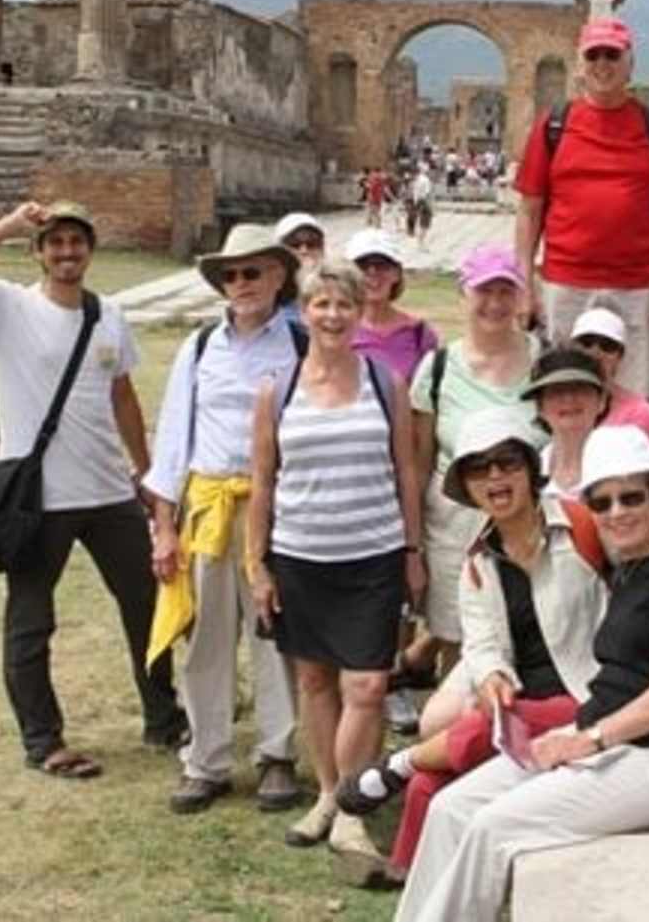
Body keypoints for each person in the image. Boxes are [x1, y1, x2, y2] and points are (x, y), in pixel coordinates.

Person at [393, 426, 649, 922]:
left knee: (493, 827)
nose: (617, 512)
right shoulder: (630, 567)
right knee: (450, 807)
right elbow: (484, 642)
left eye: (631, 497)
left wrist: (588, 739)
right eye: (603, 502)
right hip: (603, 735)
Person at [0, 200, 183, 780]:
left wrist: (145, 472)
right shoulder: (8, 308)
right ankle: (44, 741)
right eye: (56, 243)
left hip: (107, 490)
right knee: (32, 621)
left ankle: (164, 718)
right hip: (38, 498)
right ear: (39, 253)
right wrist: (11, 223)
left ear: (90, 250)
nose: (67, 252)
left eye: (77, 242)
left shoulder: (108, 314)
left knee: (148, 607)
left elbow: (122, 395)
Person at [336, 409, 610, 889]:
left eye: (507, 462)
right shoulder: (478, 561)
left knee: (491, 726)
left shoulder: (583, 526)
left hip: (593, 693)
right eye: (479, 468)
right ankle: (408, 872)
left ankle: (402, 763)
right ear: (466, 484)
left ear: (530, 469)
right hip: (525, 695)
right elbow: (482, 644)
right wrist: (491, 678)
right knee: (434, 780)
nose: (495, 477)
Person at [250, 260, 427, 864]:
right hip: (301, 556)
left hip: (373, 556)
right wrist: (258, 566)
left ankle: (352, 809)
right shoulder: (276, 391)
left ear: (359, 312)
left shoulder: (385, 383)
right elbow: (263, 483)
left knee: (368, 685)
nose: (332, 315)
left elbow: (406, 470)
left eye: (344, 304)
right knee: (315, 681)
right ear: (303, 312)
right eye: (321, 303)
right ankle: (328, 793)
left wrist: (413, 551)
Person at [143, 222, 302, 816]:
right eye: (231, 275)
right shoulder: (202, 345)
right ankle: (205, 758)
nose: (241, 283)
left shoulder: (300, 342)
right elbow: (172, 438)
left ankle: (278, 751)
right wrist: (164, 526)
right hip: (209, 505)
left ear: (277, 275)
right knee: (207, 638)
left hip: (274, 507)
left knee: (273, 632)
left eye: (252, 271)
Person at [513, 17, 649, 404]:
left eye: (612, 55)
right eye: (593, 55)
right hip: (566, 280)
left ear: (630, 63)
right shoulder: (554, 125)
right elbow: (529, 211)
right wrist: (525, 285)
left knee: (635, 391)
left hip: (637, 284)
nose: (602, 64)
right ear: (580, 64)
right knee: (564, 388)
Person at [405, 245, 540, 702]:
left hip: (529, 523)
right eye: (485, 291)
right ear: (464, 293)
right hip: (453, 525)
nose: (495, 303)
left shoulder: (544, 360)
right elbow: (420, 461)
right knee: (459, 643)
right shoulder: (438, 368)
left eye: (506, 291)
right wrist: (413, 544)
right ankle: (455, 733)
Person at [347, 228, 440, 384]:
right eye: (363, 265)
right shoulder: (338, 329)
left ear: (397, 273)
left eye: (382, 265)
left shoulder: (419, 333)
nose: (372, 272)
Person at [523, 347, 610, 499]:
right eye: (556, 391)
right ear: (539, 407)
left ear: (601, 401)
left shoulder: (625, 459)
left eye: (579, 388)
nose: (569, 399)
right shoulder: (528, 472)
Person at [569, 306, 649, 445]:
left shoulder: (639, 411)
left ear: (620, 356)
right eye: (586, 343)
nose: (595, 353)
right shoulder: (553, 400)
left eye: (607, 345)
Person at [406, 167, 435, 246]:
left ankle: (420, 240)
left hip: (423, 202)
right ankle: (419, 241)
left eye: (412, 174)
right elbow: (416, 192)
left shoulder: (423, 180)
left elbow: (427, 192)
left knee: (424, 222)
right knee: (422, 222)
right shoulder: (416, 181)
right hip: (420, 202)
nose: (411, 176)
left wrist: (424, 203)